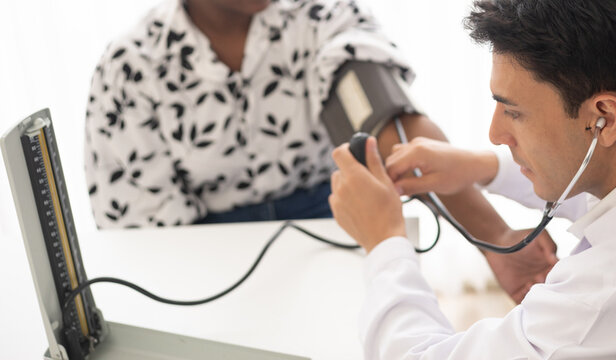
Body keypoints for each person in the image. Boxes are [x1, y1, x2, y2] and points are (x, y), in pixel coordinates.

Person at [328, 0, 616, 358]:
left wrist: (385, 241)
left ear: (603, 118)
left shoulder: (601, 310)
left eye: (514, 112)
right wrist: (484, 169)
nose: (495, 134)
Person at [82, 0, 526, 240]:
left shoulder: (323, 18)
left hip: (329, 220)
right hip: (202, 247)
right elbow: (142, 233)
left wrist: (499, 240)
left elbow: (397, 135)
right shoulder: (130, 67)